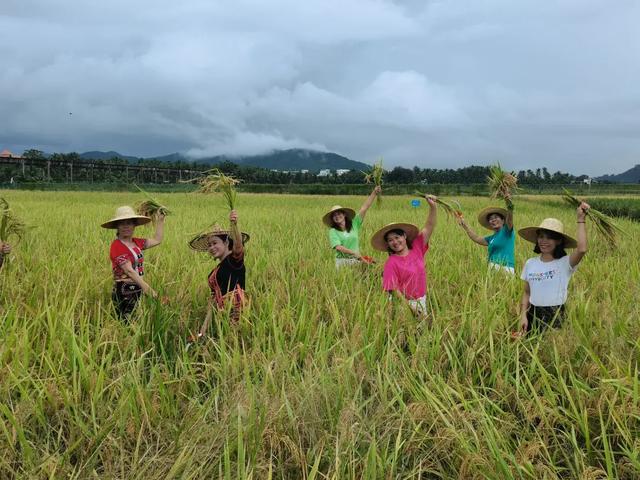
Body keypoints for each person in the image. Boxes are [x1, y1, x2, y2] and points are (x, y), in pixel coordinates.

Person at [518, 202, 589, 334]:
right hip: (532, 313)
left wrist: (580, 220)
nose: (543, 241)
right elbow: (527, 293)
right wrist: (523, 316)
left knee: (553, 349)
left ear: (559, 241)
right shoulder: (530, 263)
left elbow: (582, 249)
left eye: (550, 237)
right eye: (541, 237)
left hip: (555, 314)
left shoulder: (565, 263)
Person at [370, 195, 437, 316]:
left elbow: (429, 226)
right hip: (403, 304)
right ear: (388, 244)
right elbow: (394, 290)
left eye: (397, 237)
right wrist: (410, 308)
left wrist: (433, 207)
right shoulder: (391, 263)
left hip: (421, 299)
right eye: (390, 240)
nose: (395, 242)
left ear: (404, 236)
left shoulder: (417, 247)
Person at [189, 210, 249, 339]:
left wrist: (234, 224)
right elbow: (213, 300)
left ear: (227, 243)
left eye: (215, 243)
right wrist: (203, 329)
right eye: (209, 245)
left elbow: (238, 248)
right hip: (222, 313)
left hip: (236, 311)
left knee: (234, 343)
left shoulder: (234, 261)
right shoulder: (217, 269)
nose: (211, 248)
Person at [101, 205, 165, 319]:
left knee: (135, 320)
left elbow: (157, 240)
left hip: (137, 287)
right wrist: (148, 289)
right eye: (122, 223)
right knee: (127, 322)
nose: (126, 226)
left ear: (134, 225)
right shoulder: (117, 246)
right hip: (125, 289)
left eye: (129, 223)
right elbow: (129, 271)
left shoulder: (136, 242)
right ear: (117, 226)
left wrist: (160, 220)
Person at [323, 186, 381, 268]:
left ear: (344, 215)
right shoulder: (333, 231)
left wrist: (374, 192)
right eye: (334, 215)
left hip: (356, 259)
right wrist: (353, 253)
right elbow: (338, 247)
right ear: (332, 219)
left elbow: (364, 208)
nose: (337, 216)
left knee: (372, 268)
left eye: (339, 214)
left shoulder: (354, 224)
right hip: (342, 262)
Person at [458, 204, 515, 273]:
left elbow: (510, 220)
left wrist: (509, 206)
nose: (493, 220)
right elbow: (476, 238)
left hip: (506, 267)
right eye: (490, 219)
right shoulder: (491, 238)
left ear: (503, 221)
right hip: (492, 267)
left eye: (496, 217)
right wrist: (465, 226)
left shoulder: (507, 231)